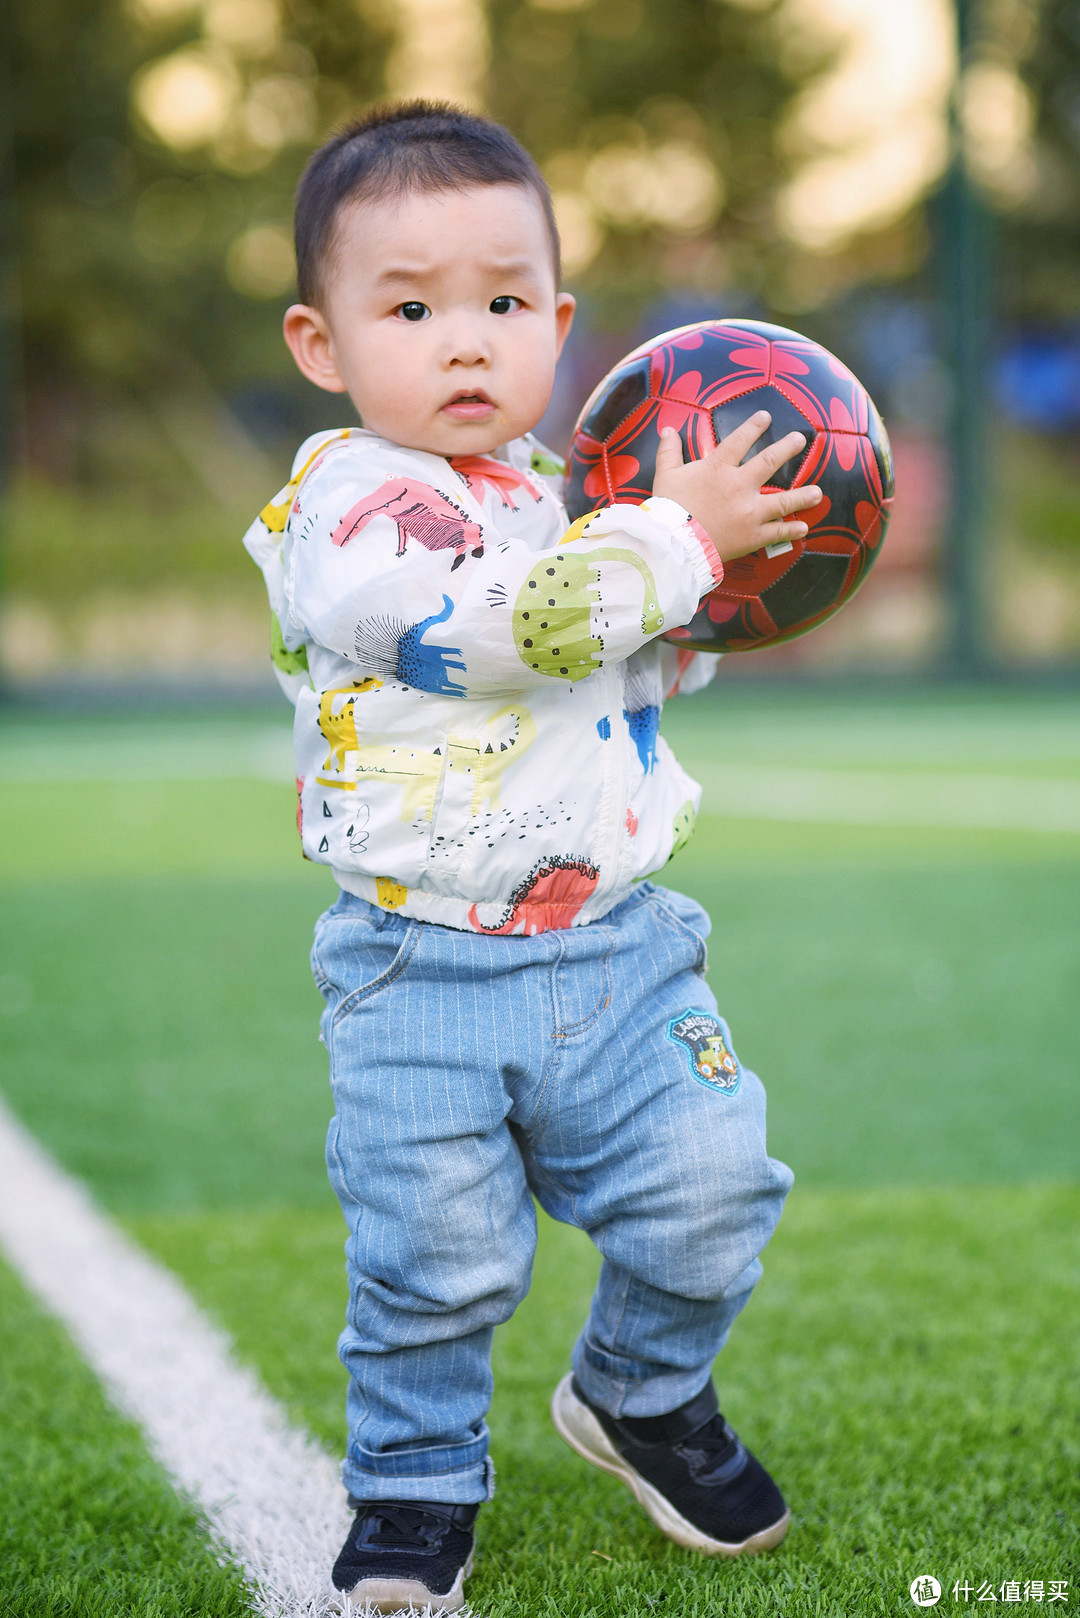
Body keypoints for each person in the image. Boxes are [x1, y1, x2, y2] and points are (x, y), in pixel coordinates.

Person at [244, 100, 818, 1615]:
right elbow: (504, 631)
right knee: (437, 1261)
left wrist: (723, 577)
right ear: (322, 342)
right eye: (411, 305)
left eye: (505, 302)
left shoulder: (582, 497)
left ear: (560, 322)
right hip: (419, 964)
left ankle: (636, 1390)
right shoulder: (347, 510)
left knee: (716, 1192)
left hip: (625, 951)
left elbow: (630, 646)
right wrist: (667, 549)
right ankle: (418, 1486)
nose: (464, 340)